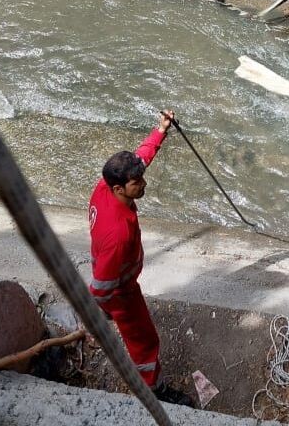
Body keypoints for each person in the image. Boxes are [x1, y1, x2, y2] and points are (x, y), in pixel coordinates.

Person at [88, 110, 193, 407]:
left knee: (111, 307)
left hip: (109, 268)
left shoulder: (105, 187)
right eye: (138, 183)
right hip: (120, 290)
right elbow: (99, 287)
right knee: (145, 340)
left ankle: (106, 313)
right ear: (120, 188)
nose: (144, 185)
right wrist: (106, 304)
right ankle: (152, 388)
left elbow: (141, 157)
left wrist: (160, 131)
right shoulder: (119, 234)